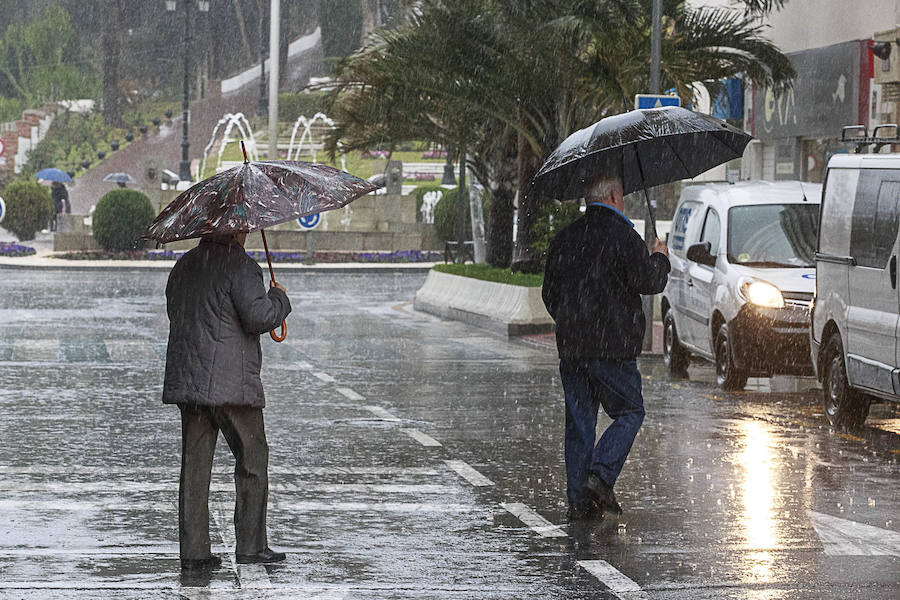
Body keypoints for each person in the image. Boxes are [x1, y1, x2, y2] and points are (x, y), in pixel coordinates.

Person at [541, 173, 670, 521]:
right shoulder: (624, 237)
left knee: (579, 424)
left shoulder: (565, 238)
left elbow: (549, 294)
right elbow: (650, 282)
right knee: (630, 411)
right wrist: (659, 256)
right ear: (614, 194)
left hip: (573, 350)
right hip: (612, 349)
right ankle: (599, 476)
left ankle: (578, 501)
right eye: (623, 194)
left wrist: (572, 321)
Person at [163, 231, 292, 570]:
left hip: (189, 380)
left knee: (194, 468)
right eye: (244, 229)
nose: (247, 234)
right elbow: (259, 317)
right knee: (252, 458)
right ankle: (250, 545)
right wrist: (279, 299)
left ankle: (194, 553)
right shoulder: (241, 266)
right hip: (230, 384)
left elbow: (176, 311)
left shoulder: (185, 265)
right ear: (235, 230)